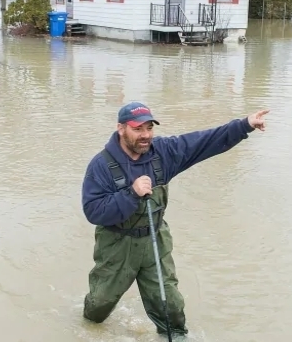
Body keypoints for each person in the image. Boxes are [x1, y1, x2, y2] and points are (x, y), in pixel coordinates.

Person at [80, 101, 269, 336]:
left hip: (155, 240)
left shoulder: (164, 152)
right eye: (138, 129)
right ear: (121, 129)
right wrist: (130, 195)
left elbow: (204, 142)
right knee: (99, 308)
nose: (145, 135)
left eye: (149, 128)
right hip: (117, 244)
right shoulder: (101, 165)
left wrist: (244, 126)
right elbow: (93, 211)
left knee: (170, 308)